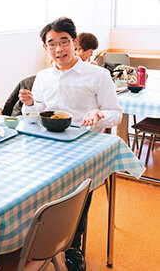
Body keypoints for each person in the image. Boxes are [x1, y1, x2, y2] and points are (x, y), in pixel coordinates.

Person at [19, 17, 122, 271]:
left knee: (77, 190)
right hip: (48, 145)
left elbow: (115, 113)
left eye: (64, 42)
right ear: (45, 48)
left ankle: (73, 245)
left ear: (75, 42)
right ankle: (35, 241)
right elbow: (38, 113)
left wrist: (99, 114)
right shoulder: (43, 77)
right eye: (51, 44)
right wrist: (31, 104)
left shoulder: (98, 75)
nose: (58, 50)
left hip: (85, 145)